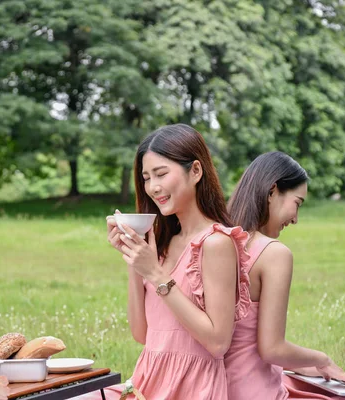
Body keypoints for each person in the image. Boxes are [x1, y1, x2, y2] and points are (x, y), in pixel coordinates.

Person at [77, 124, 251, 399]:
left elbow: (218, 342)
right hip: (147, 380)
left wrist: (157, 275)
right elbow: (142, 334)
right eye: (146, 178)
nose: (152, 187)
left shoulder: (216, 243)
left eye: (161, 174)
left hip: (193, 387)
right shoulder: (162, 243)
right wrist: (135, 260)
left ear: (195, 171)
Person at [225, 151, 345, 400]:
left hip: (215, 387)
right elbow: (271, 348)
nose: (296, 219)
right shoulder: (273, 253)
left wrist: (309, 368)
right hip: (255, 391)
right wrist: (322, 359)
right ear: (272, 191)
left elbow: (242, 343)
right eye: (297, 203)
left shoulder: (218, 240)